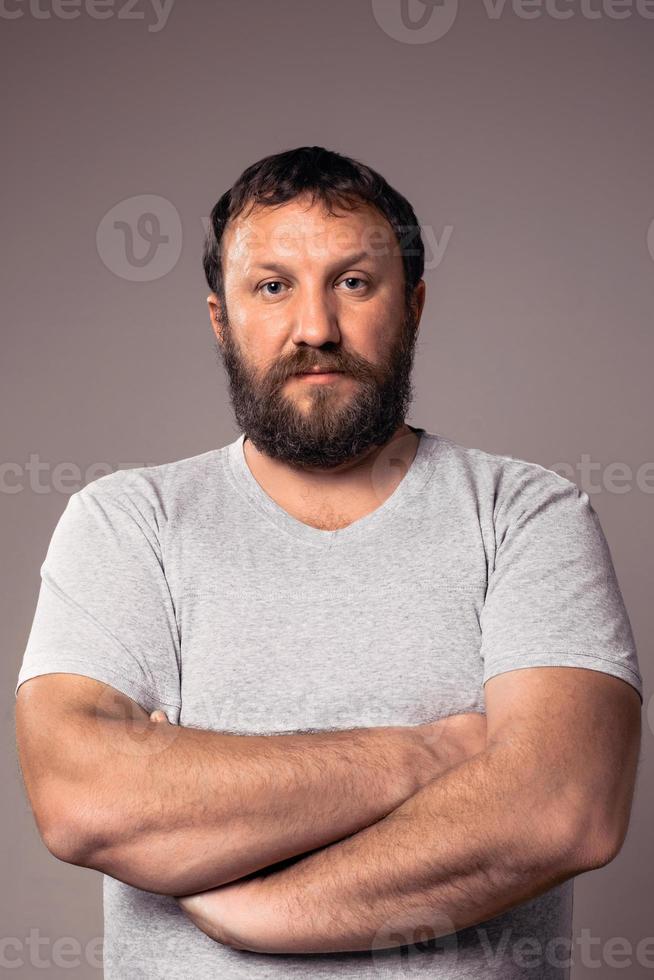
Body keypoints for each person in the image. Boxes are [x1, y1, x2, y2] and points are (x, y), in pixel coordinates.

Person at [15, 145, 643, 979]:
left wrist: (261, 909)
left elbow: (565, 809)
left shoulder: (527, 516)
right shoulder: (129, 524)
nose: (315, 327)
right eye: (273, 286)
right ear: (220, 318)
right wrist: (432, 756)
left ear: (413, 306)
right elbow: (84, 801)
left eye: (354, 282)